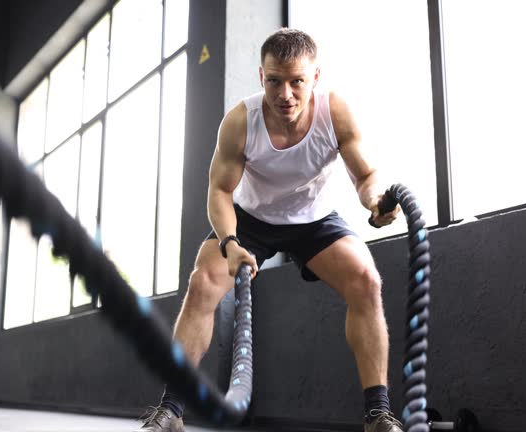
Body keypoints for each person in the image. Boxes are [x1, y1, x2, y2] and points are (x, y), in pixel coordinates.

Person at [136, 28, 403, 432]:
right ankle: (171, 410)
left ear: (315, 77)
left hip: (313, 219)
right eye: (275, 81)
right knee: (203, 283)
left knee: (366, 280)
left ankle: (378, 414)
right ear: (261, 77)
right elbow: (220, 191)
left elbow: (365, 175)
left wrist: (374, 203)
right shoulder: (241, 121)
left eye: (297, 81)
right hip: (251, 221)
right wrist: (228, 243)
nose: (286, 94)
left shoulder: (335, 112)